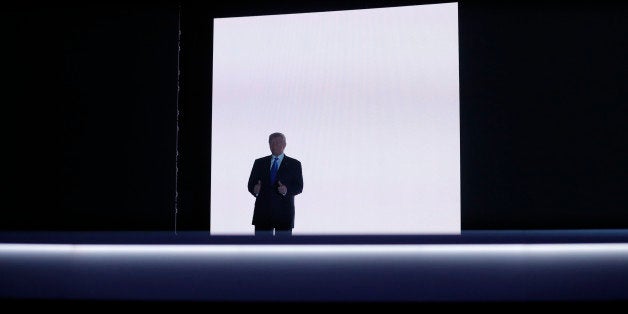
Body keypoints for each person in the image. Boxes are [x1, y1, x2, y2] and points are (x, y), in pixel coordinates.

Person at [248, 132, 303, 236]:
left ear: (284, 145)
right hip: (262, 214)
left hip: (284, 215)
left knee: (283, 250)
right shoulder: (259, 162)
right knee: (261, 250)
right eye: (271, 143)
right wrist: (254, 189)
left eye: (278, 142)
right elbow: (251, 184)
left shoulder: (294, 164)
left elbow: (299, 187)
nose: (274, 145)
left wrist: (286, 190)